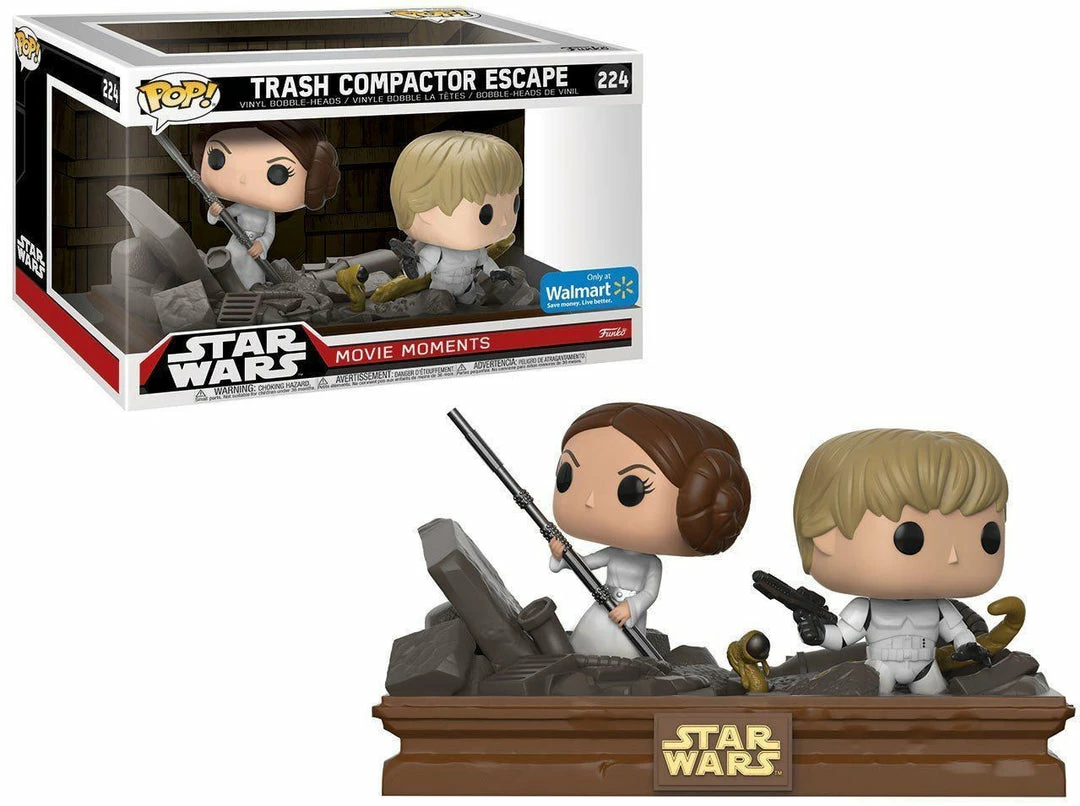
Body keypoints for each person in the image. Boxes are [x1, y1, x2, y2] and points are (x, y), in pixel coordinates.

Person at [790, 429, 1006, 694]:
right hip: (881, 667)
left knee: (938, 706)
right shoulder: (864, 609)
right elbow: (843, 637)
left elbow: (959, 633)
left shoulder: (941, 608)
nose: (953, 557)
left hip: (926, 668)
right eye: (910, 538)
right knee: (873, 702)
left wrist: (969, 647)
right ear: (825, 536)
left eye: (988, 538)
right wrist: (819, 634)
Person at [549, 403, 751, 657]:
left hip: (625, 617)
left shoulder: (651, 564)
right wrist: (562, 556)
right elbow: (585, 563)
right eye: (566, 475)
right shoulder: (612, 553)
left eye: (630, 490)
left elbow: (649, 593)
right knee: (584, 646)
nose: (589, 500)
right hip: (602, 609)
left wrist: (631, 607)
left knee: (623, 656)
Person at [193, 120, 340, 288]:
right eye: (217, 158)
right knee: (231, 268)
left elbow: (270, 234)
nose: (243, 179)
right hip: (236, 244)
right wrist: (214, 212)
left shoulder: (267, 213)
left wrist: (261, 244)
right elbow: (223, 216)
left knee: (253, 275)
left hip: (254, 248)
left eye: (278, 173)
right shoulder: (241, 208)